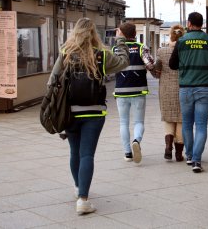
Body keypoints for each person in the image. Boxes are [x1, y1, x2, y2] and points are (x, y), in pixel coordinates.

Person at [49, 18, 129, 215]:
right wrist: (120, 42)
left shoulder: (66, 54)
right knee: (87, 154)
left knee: (74, 152)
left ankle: (78, 189)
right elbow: (123, 63)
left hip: (70, 112)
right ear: (94, 34)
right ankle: (83, 200)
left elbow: (51, 81)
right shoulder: (101, 55)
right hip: (94, 112)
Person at [169, 12, 208, 173]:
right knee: (201, 125)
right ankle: (196, 160)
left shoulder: (181, 41)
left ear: (189, 23)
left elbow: (173, 65)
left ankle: (189, 155)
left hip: (186, 88)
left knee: (187, 123)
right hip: (206, 88)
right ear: (202, 24)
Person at [112, 22, 155, 163]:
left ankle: (127, 153)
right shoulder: (141, 47)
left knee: (123, 122)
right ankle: (136, 140)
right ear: (135, 34)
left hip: (121, 90)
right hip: (138, 90)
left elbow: (109, 69)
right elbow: (150, 64)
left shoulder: (115, 49)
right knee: (138, 121)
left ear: (121, 34)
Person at [152, 24, 185, 161]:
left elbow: (156, 73)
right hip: (183, 88)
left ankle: (167, 147)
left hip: (165, 89)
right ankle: (178, 154)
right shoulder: (186, 51)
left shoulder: (161, 51)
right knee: (181, 120)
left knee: (168, 118)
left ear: (170, 35)